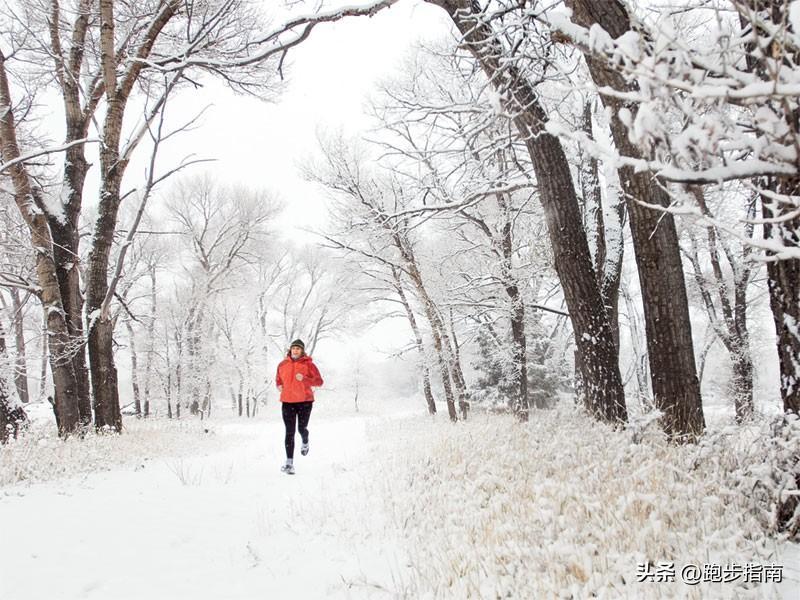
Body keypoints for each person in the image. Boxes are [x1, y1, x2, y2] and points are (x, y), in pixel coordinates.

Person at [275, 339, 323, 475]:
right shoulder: (282, 364)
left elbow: (319, 382)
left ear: (302, 351)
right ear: (290, 350)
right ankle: (289, 463)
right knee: (289, 432)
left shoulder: (309, 365)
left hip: (305, 402)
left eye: (298, 348)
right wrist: (279, 385)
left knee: (301, 429)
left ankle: (305, 440)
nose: (295, 350)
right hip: (287, 402)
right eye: (293, 348)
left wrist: (305, 379)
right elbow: (278, 379)